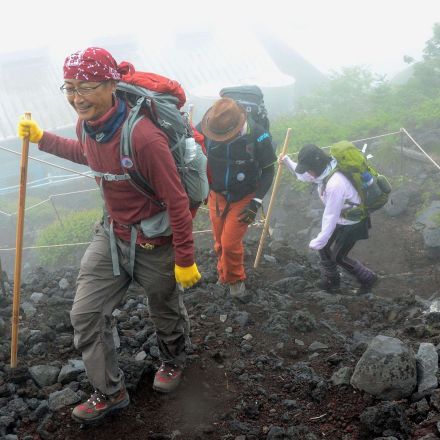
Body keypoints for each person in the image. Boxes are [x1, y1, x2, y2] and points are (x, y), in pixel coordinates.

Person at [17, 47, 201, 424]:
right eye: (69, 87)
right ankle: (110, 391)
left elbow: (177, 201)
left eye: (85, 86)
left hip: (156, 240)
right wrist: (42, 138)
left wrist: (185, 258)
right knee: (85, 314)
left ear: (111, 85)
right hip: (112, 235)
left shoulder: (145, 138)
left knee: (163, 308)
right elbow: (87, 154)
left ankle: (173, 360)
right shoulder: (89, 125)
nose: (76, 97)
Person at [200, 97, 276, 300]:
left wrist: (256, 202)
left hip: (245, 196)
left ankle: (236, 283)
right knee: (218, 241)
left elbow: (269, 170)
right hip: (216, 194)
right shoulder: (207, 125)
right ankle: (223, 274)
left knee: (230, 242)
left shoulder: (259, 136)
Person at [279, 144, 378, 293]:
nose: (308, 173)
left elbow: (330, 215)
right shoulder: (324, 173)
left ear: (317, 166)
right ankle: (332, 279)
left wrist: (320, 239)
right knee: (324, 247)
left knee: (339, 257)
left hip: (353, 222)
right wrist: (287, 161)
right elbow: (306, 176)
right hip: (342, 218)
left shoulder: (335, 183)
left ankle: (368, 279)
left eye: (309, 169)